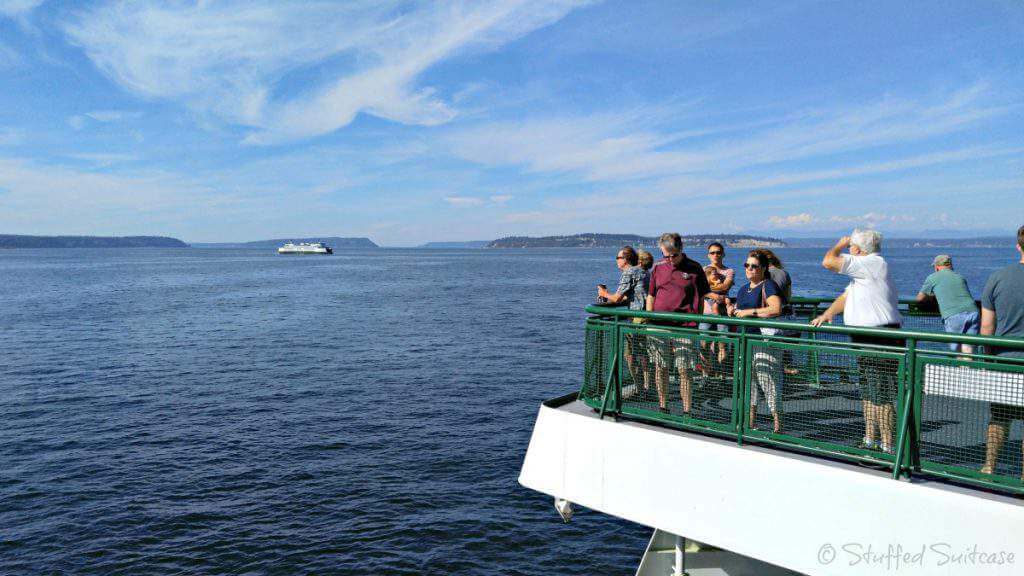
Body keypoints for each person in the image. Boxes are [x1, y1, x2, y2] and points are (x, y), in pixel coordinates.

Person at [811, 230, 902, 453]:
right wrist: (827, 314)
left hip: (879, 336)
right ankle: (870, 440)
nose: (849, 247)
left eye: (851, 245)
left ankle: (888, 445)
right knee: (868, 391)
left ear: (858, 250)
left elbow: (828, 261)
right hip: (866, 337)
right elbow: (846, 296)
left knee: (881, 392)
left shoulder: (871, 263)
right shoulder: (865, 272)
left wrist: (838, 244)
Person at [646, 233, 711, 415]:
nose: (670, 259)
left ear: (681, 249)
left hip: (685, 325)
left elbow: (704, 295)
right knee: (660, 366)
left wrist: (697, 323)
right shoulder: (658, 267)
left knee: (685, 369)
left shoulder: (695, 268)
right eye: (666, 255)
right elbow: (651, 294)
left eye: (673, 255)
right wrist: (648, 317)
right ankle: (662, 405)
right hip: (658, 324)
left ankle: (687, 410)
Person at [979, 226, 1024, 476]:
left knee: (999, 417)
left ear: (1018, 246)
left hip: (1004, 361)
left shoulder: (997, 277)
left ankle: (989, 466)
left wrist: (986, 358)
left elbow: (987, 326)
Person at [728, 250, 784, 432]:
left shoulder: (768, 285)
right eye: (747, 265)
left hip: (763, 341)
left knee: (768, 381)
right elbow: (740, 309)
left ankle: (778, 425)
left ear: (763, 268)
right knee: (748, 382)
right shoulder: (744, 289)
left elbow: (776, 308)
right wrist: (732, 309)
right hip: (745, 341)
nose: (749, 269)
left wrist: (750, 312)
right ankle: (750, 422)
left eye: (754, 266)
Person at [914, 255, 980, 354]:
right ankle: (967, 368)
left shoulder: (932, 277)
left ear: (936, 267)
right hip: (973, 312)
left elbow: (919, 299)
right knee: (968, 349)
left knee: (957, 350)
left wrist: (932, 296)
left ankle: (960, 367)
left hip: (953, 314)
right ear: (950, 265)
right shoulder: (960, 277)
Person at [700, 242, 734, 370]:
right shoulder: (703, 270)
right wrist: (715, 295)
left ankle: (722, 374)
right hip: (705, 313)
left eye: (718, 252)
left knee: (723, 344)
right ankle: (707, 374)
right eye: (712, 252)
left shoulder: (729, 271)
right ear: (708, 255)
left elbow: (726, 286)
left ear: (723, 254)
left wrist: (707, 289)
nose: (715, 255)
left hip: (722, 313)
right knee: (704, 344)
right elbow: (698, 288)